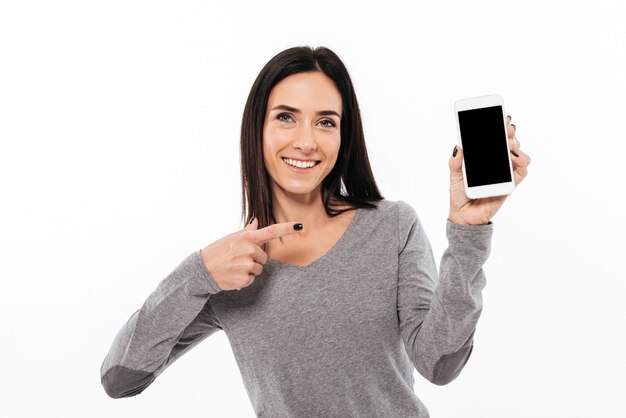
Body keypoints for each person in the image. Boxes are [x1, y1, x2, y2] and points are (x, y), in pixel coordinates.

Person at [100, 46, 531, 417]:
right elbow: (120, 378)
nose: (306, 141)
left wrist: (468, 234)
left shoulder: (392, 226)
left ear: (344, 136)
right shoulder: (230, 267)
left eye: (325, 122)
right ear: (258, 128)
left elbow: (440, 364)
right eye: (286, 117)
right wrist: (198, 273)